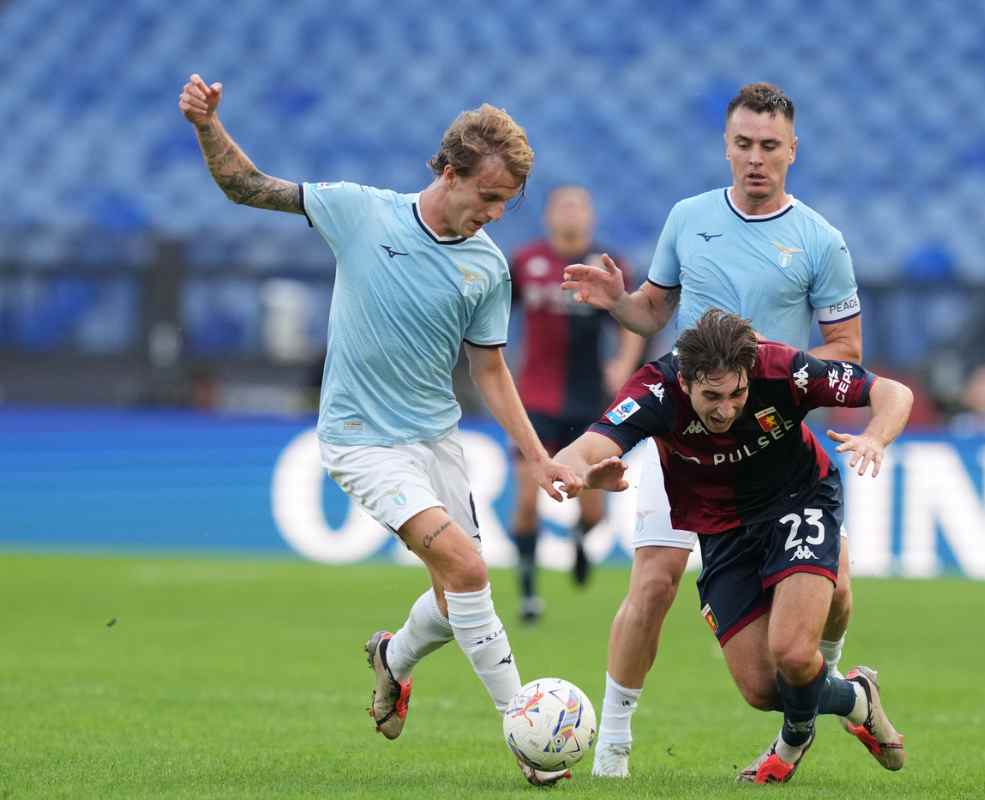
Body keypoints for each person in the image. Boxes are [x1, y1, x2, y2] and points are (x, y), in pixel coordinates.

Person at [178, 74, 582, 786]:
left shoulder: (487, 267)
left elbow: (490, 372)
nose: (495, 215)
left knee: (461, 602)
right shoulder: (360, 212)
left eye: (506, 204)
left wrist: (537, 455)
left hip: (438, 443)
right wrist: (208, 124)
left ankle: (392, 659)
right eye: (487, 197)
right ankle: (525, 731)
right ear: (449, 171)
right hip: (363, 439)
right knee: (468, 570)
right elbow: (246, 186)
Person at [562, 82, 864, 776]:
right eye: (742, 145)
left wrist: (772, 365)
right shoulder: (689, 218)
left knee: (837, 593)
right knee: (655, 580)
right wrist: (618, 304)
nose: (754, 159)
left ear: (792, 151)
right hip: (687, 445)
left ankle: (822, 686)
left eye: (769, 147)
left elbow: (846, 350)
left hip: (771, 449)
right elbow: (652, 313)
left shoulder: (820, 239)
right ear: (725, 146)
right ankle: (611, 745)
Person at [554, 310, 912, 783]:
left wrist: (875, 436)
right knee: (763, 689)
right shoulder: (655, 391)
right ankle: (856, 696)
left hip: (797, 502)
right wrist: (578, 474)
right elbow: (583, 449)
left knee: (793, 654)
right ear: (685, 382)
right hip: (721, 531)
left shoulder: (782, 370)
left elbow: (893, 392)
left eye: (738, 393)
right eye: (712, 397)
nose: (726, 409)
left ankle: (790, 742)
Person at [509, 186, 643, 622]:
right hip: (534, 397)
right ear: (548, 216)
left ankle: (581, 541)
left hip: (589, 401)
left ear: (590, 215)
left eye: (578, 207)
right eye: (562, 206)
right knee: (527, 499)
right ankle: (528, 592)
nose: (570, 215)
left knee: (593, 510)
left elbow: (632, 321)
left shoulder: (607, 265)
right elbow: (490, 312)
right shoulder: (525, 263)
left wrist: (622, 363)